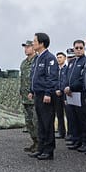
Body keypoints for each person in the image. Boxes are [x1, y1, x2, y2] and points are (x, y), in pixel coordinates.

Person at [28, 32, 59, 160]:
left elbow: (51, 77)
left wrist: (47, 92)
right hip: (38, 94)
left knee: (47, 123)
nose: (33, 43)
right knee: (40, 123)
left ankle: (48, 150)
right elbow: (34, 77)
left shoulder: (49, 58)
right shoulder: (37, 58)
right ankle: (41, 148)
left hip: (46, 95)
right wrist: (31, 90)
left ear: (41, 43)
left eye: (35, 41)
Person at [65, 40, 86, 150]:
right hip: (70, 95)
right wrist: (66, 87)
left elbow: (82, 78)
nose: (78, 50)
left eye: (81, 48)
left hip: (80, 94)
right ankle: (76, 140)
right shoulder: (71, 62)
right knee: (73, 118)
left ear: (84, 48)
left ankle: (85, 142)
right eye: (76, 48)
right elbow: (67, 77)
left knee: (82, 119)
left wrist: (72, 87)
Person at [19, 40, 39, 152]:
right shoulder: (24, 63)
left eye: (28, 47)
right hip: (25, 97)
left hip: (34, 97)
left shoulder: (37, 60)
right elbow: (22, 79)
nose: (26, 49)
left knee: (36, 122)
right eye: (25, 47)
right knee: (29, 122)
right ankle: (35, 142)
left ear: (33, 48)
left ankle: (40, 143)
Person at [54, 52, 68, 139]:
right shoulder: (55, 70)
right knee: (59, 114)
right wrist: (56, 89)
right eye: (57, 57)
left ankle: (70, 133)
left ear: (65, 58)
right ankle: (61, 132)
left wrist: (61, 89)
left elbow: (66, 81)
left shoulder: (67, 69)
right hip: (57, 95)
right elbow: (54, 81)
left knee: (69, 114)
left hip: (65, 94)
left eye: (60, 57)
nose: (59, 59)